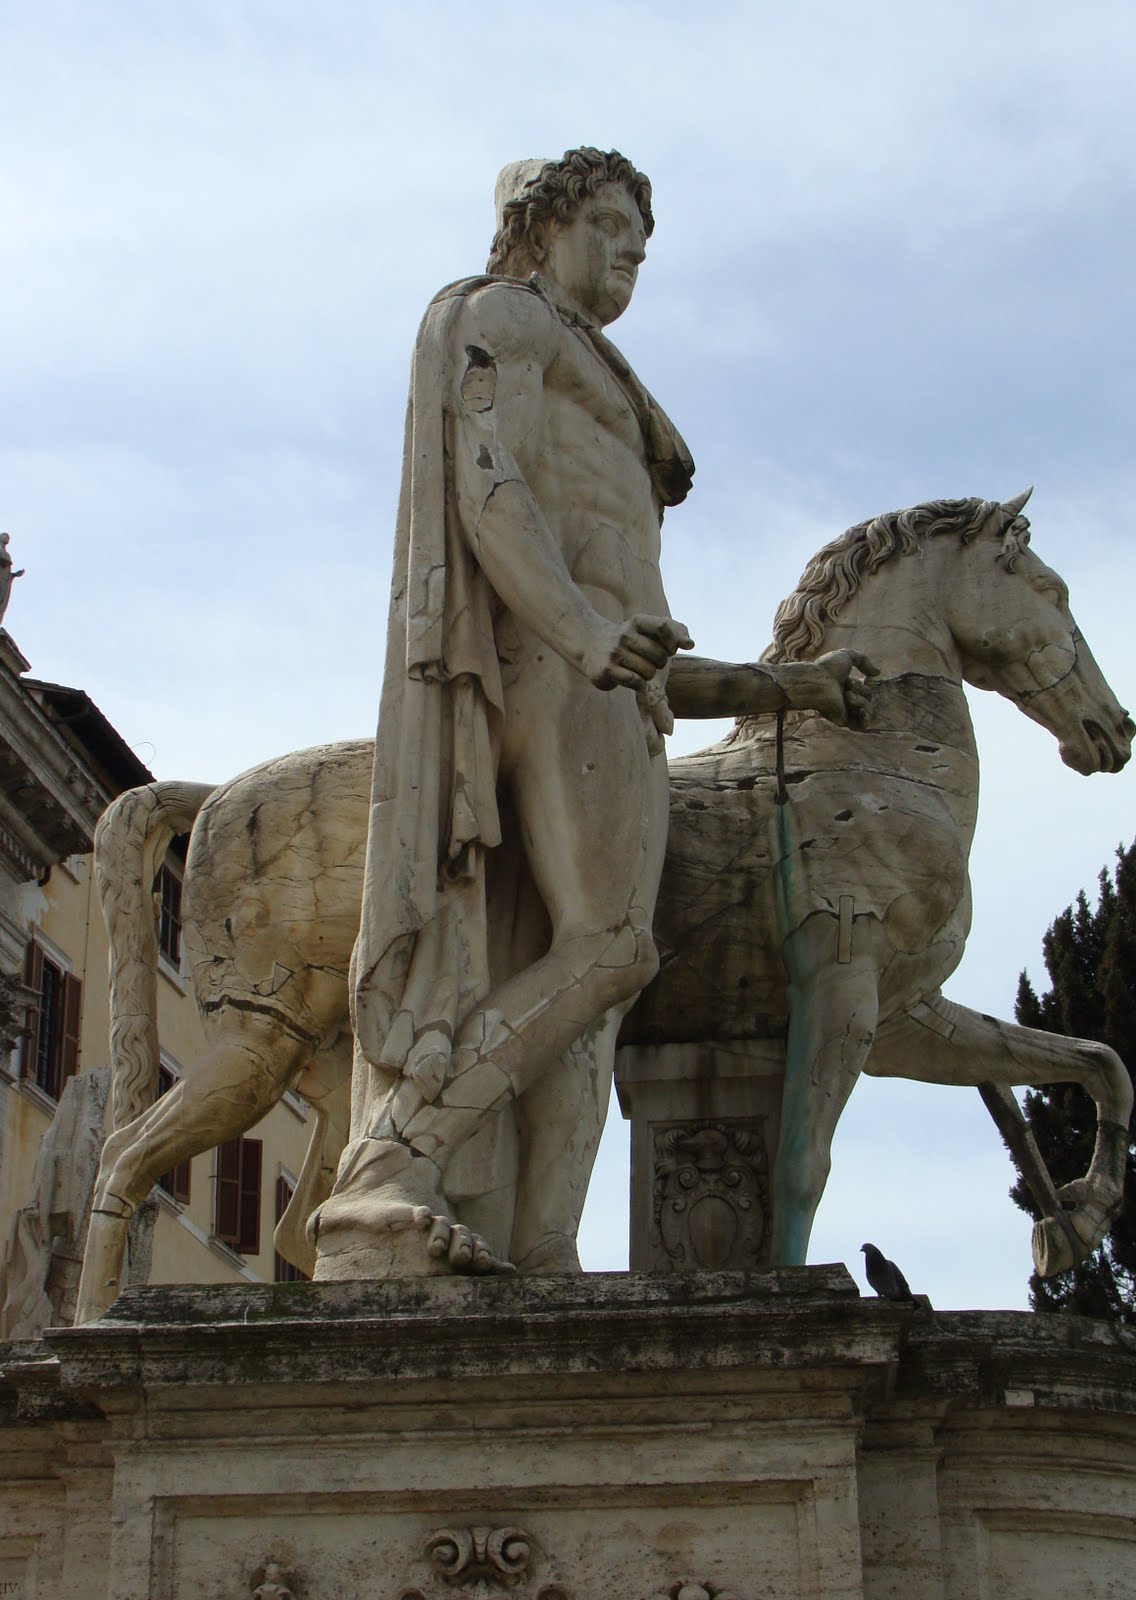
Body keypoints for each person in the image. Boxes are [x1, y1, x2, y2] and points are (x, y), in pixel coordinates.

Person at [310, 148, 872, 1280]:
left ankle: (544, 1248)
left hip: (605, 675)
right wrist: (580, 635)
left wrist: (779, 689)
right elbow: (490, 483)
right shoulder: (508, 319)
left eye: (642, 241)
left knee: (607, 975)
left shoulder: (597, 376)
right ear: (546, 218)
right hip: (554, 664)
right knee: (613, 945)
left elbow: (641, 631)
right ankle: (391, 1163)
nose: (630, 255)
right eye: (612, 224)